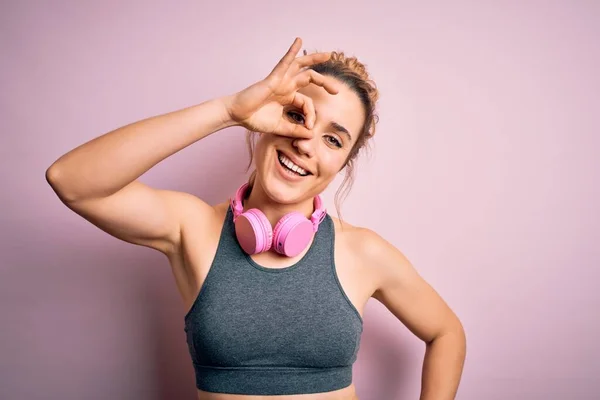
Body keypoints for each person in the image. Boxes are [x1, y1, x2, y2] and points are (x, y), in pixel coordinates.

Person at [46, 37, 466, 400]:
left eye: (333, 139)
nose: (306, 144)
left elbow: (446, 333)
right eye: (299, 117)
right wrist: (228, 111)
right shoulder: (192, 228)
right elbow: (72, 181)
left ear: (342, 164)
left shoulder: (363, 251)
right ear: (267, 118)